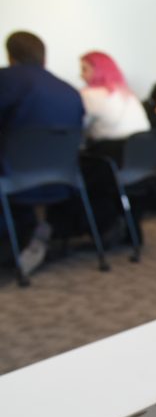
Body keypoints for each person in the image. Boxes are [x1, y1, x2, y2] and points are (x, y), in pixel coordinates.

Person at [0, 31, 84, 276]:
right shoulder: (70, 91)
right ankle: (27, 234)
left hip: (14, 178)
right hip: (62, 180)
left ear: (11, 56)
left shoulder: (7, 80)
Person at [79, 51, 149, 143]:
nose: (81, 76)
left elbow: (80, 125)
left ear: (98, 71)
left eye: (84, 70)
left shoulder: (90, 94)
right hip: (144, 146)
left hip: (112, 148)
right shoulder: (127, 92)